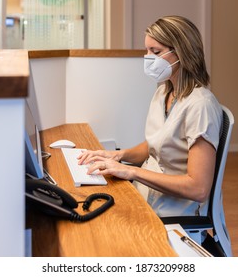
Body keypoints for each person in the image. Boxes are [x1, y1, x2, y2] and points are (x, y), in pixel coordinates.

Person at [78, 16, 222, 222]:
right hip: (145, 194)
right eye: (147, 51)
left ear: (182, 52)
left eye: (155, 52)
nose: (148, 58)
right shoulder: (163, 92)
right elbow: (156, 144)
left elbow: (198, 188)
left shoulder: (201, 105)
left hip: (172, 211)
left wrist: (131, 172)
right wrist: (117, 156)